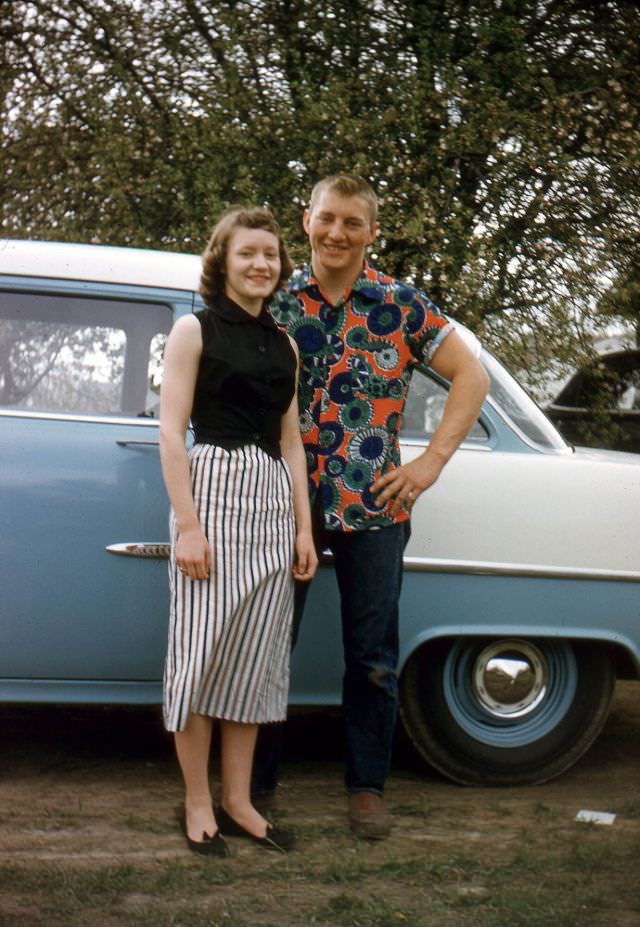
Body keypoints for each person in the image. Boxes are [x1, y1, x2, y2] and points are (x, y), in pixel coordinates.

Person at [257, 174, 490, 840]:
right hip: (284, 500)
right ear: (307, 220)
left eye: (351, 223)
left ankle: (366, 788)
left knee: (374, 655)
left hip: (375, 501)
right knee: (270, 644)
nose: (337, 233)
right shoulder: (273, 301)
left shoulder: (401, 304)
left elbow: (473, 376)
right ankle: (256, 783)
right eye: (327, 219)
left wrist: (430, 462)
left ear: (371, 232)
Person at [159, 206, 317, 856]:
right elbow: (170, 431)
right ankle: (198, 799)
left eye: (271, 256)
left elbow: (292, 442)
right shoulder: (192, 331)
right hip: (213, 492)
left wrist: (304, 530)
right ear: (222, 258)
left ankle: (239, 799)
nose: (262, 264)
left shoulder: (286, 345)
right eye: (249, 252)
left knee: (253, 661)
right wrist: (188, 527)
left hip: (271, 505)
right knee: (201, 654)